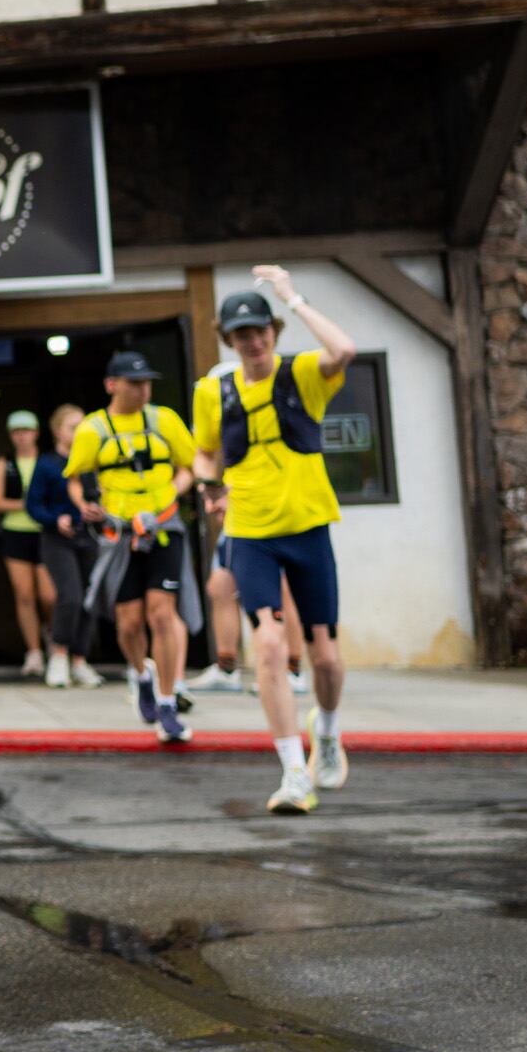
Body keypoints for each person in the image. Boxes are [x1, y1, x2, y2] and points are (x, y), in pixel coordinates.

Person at [192, 266, 358, 815]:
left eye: (261, 330)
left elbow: (346, 348)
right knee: (266, 644)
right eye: (242, 334)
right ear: (230, 340)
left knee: (326, 659)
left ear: (274, 331)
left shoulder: (303, 373)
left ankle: (327, 734)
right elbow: (204, 452)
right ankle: (292, 772)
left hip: (308, 526)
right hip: (250, 532)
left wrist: (290, 295)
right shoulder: (213, 391)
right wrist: (209, 485)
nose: (254, 341)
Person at [63, 352, 198, 745]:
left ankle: (168, 702)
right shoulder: (93, 429)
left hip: (163, 528)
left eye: (146, 383)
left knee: (161, 614)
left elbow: (190, 465)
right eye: (133, 382)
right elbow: (74, 477)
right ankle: (141, 674)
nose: (142, 390)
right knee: (129, 623)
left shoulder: (164, 421)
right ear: (112, 384)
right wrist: (82, 504)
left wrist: (173, 493)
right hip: (119, 535)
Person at [188, 372, 311, 699]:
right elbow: (207, 459)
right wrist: (214, 492)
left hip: (273, 518)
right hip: (238, 520)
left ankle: (293, 669)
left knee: (284, 591)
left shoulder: (272, 413)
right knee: (221, 587)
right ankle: (227, 668)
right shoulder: (220, 422)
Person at [29, 404, 105, 690]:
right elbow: (33, 505)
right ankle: (59, 654)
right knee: (70, 595)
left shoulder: (92, 465)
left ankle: (80, 660)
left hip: (90, 536)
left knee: (89, 598)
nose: (79, 432)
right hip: (57, 539)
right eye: (73, 427)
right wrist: (54, 519)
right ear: (57, 431)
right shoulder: (47, 464)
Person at [0, 408, 53, 679]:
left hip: (45, 532)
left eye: (26, 431)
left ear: (36, 433)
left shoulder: (47, 462)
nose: (22, 437)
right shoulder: (7, 463)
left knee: (49, 595)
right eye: (16, 432)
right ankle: (34, 650)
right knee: (24, 594)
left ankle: (53, 636)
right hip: (16, 532)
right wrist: (27, 505)